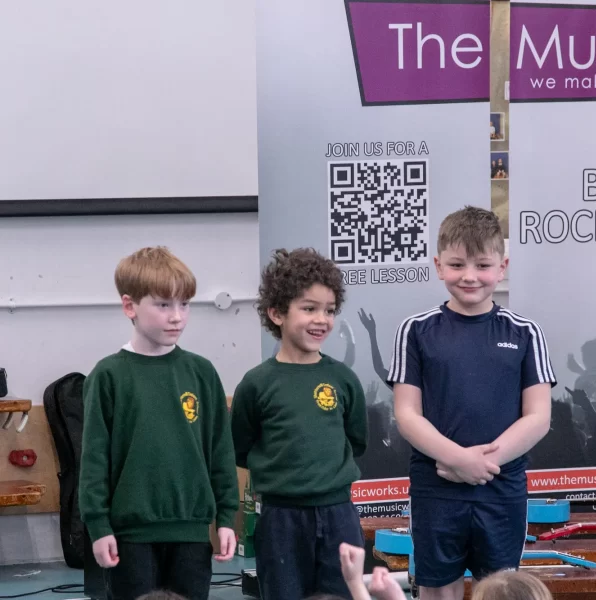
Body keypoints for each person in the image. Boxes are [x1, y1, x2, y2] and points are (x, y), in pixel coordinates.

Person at [388, 206, 555, 600]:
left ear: (502, 266)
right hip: (436, 489)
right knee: (437, 588)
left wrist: (480, 465)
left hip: (501, 490)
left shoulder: (525, 333)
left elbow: (539, 417)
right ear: (438, 265)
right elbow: (406, 413)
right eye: (457, 264)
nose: (469, 276)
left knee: (500, 591)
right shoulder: (416, 331)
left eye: (482, 265)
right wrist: (457, 459)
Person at [79, 247, 239, 600]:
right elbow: (93, 461)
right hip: (130, 538)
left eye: (184, 304)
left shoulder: (201, 373)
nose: (177, 317)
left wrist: (226, 517)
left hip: (192, 534)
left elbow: (220, 453)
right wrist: (98, 526)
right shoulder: (108, 376)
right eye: (163, 305)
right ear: (129, 306)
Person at [230, 248, 368, 600]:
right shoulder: (256, 383)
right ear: (276, 313)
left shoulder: (343, 378)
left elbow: (356, 439)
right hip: (280, 519)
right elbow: (241, 447)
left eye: (329, 310)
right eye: (309, 308)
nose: (321, 319)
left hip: (339, 515)